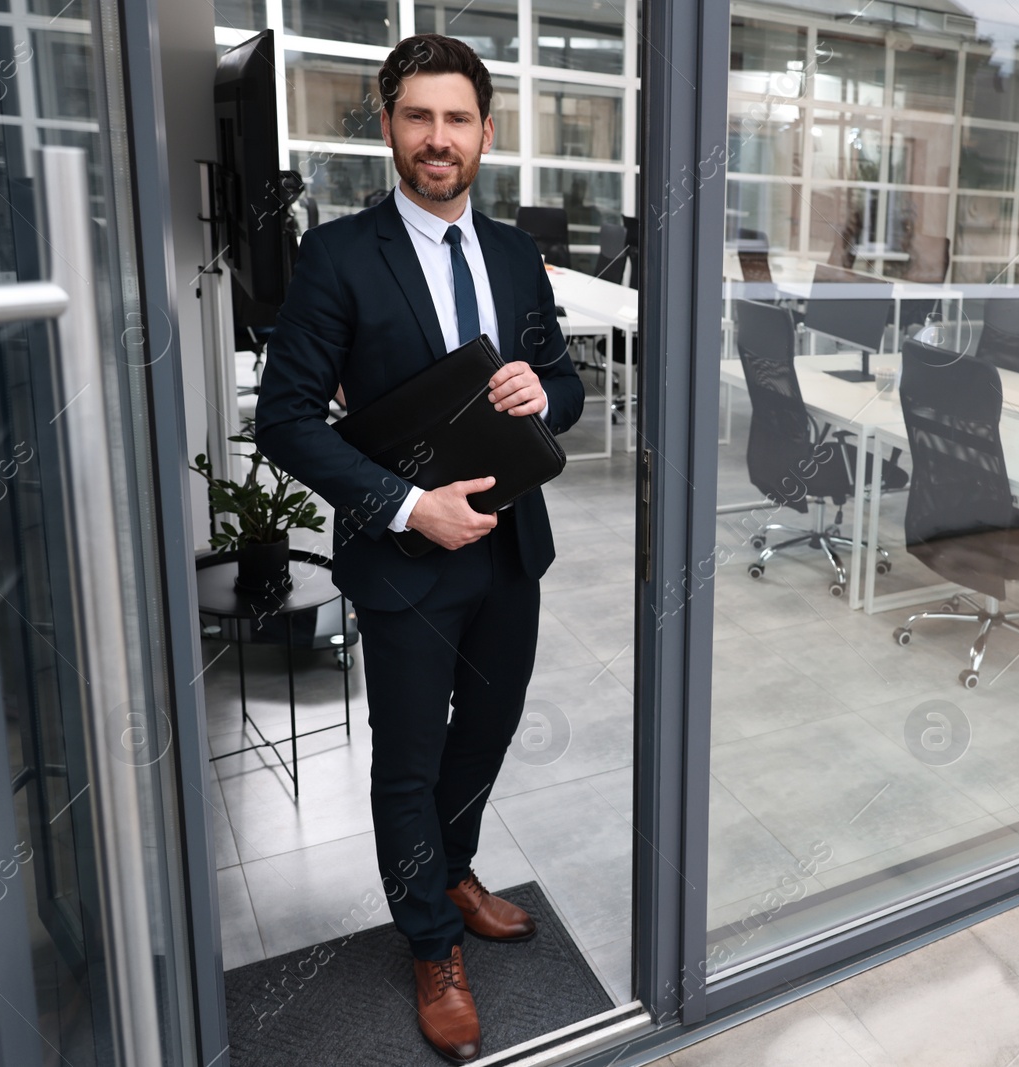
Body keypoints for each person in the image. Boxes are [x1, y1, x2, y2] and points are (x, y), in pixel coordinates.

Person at [255, 33, 584, 1064]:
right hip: (406, 557)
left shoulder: (516, 252)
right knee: (407, 759)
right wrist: (405, 506)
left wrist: (548, 394)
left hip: (508, 547)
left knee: (484, 733)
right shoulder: (339, 255)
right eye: (417, 118)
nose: (437, 140)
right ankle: (431, 943)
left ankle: (452, 868)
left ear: (487, 133)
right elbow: (287, 418)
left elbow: (563, 380)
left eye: (457, 119)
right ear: (389, 128)